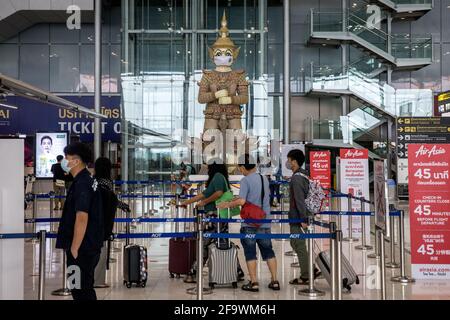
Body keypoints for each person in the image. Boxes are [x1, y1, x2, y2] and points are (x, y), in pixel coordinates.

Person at [217, 154, 280, 292]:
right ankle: (274, 280)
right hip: (264, 221)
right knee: (268, 251)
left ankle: (254, 282)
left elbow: (242, 201)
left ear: (243, 167)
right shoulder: (264, 178)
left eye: (240, 168)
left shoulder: (245, 180)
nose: (240, 171)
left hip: (250, 223)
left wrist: (225, 204)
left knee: (250, 252)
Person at [179, 158, 244, 281]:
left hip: (216, 215)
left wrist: (204, 202)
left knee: (205, 242)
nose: (207, 169)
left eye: (208, 166)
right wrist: (187, 202)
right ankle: (237, 270)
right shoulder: (217, 177)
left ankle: (195, 272)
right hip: (218, 215)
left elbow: (218, 194)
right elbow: (204, 194)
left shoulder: (218, 177)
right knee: (223, 241)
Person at [55, 142, 104, 300]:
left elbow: (82, 217)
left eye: (67, 158)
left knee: (79, 289)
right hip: (89, 245)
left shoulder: (82, 183)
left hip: (81, 248)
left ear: (76, 161)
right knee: (85, 288)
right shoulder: (88, 179)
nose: (64, 161)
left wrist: (74, 248)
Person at [93, 157, 130, 288]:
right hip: (103, 222)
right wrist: (123, 205)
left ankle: (91, 279)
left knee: (93, 251)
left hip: (93, 220)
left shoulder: (94, 181)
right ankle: (98, 281)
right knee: (101, 251)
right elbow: (111, 198)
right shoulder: (106, 182)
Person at [286, 149, 321, 285]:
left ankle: (306, 275)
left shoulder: (297, 178)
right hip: (298, 216)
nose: (288, 163)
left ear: (294, 161)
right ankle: (311, 269)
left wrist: (303, 219)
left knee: (299, 244)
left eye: (289, 160)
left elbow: (299, 200)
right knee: (295, 242)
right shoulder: (303, 175)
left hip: (298, 217)